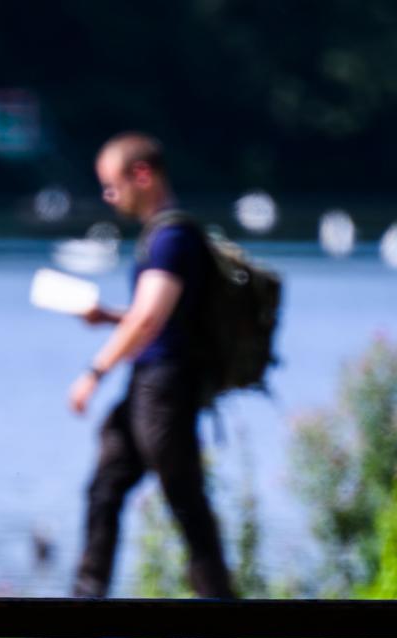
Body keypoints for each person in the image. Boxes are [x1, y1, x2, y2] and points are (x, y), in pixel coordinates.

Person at [67, 131, 235, 599]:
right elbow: (156, 316)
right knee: (105, 488)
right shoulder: (162, 236)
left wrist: (94, 373)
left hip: (168, 388)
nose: (108, 195)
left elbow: (148, 318)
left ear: (142, 174)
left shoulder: (173, 237)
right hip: (149, 382)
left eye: (112, 184)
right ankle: (81, 618)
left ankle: (224, 627)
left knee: (185, 501)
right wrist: (108, 317)